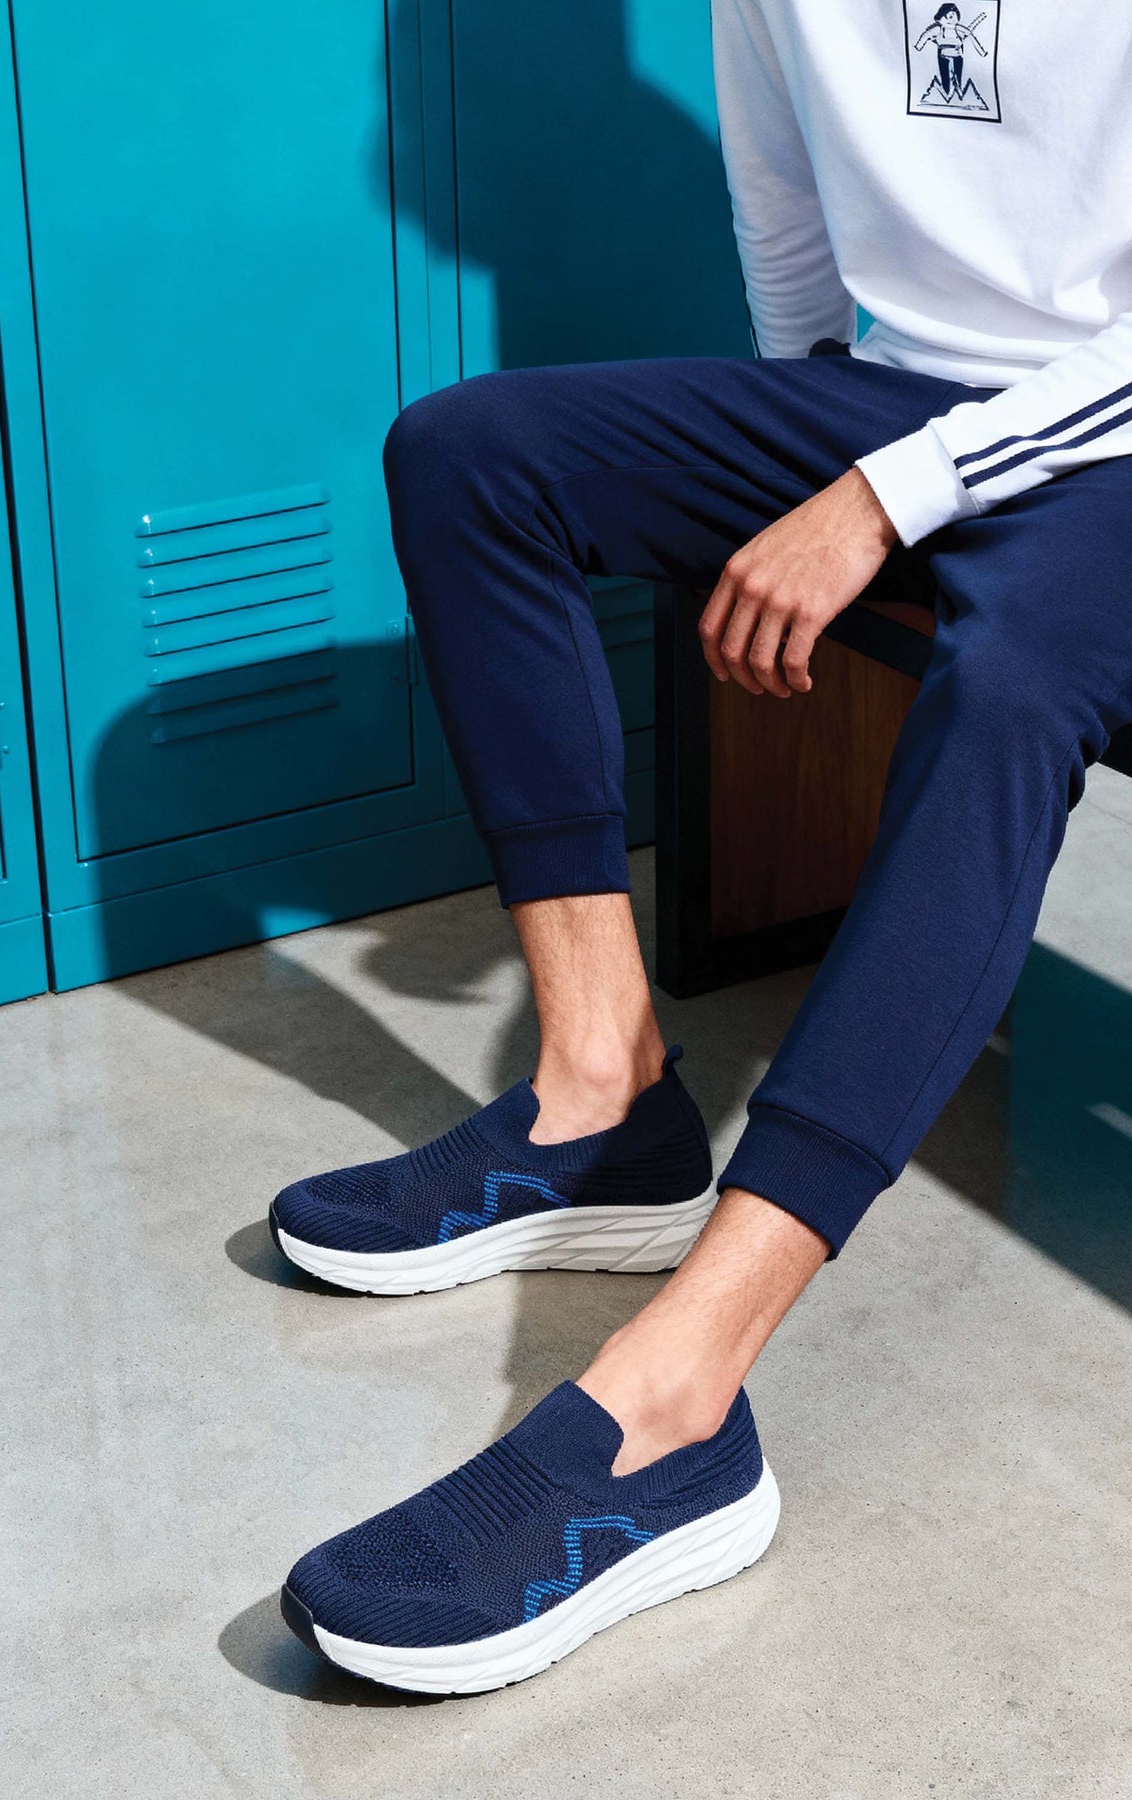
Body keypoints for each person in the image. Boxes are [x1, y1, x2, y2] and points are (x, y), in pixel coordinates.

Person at [271, 0, 1132, 1692]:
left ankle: (679, 1407)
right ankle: (603, 1100)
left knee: (1009, 683)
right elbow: (787, 219)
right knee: (472, 456)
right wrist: (815, 453)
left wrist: (881, 503)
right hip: (906, 405)